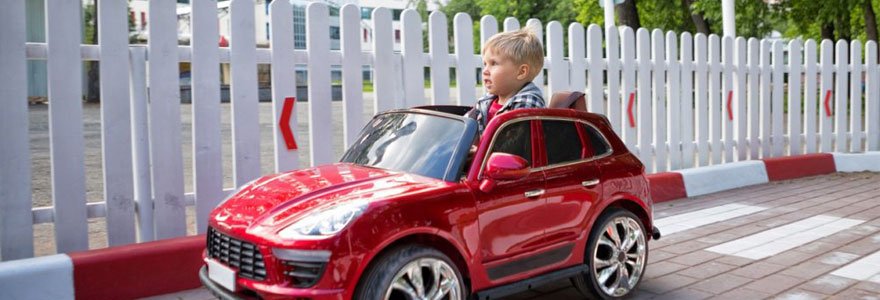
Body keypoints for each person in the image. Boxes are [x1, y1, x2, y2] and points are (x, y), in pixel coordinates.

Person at [468, 28, 546, 133]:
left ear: (521, 72)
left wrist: (479, 148)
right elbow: (463, 129)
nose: (485, 71)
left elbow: (513, 144)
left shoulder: (526, 104)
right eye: (485, 64)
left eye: (494, 63)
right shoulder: (485, 102)